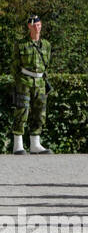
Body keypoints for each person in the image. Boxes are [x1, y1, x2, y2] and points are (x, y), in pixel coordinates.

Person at [11, 14, 52, 155]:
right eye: (34, 25)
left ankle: (35, 145)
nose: (37, 27)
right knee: (22, 111)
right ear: (29, 26)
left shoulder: (46, 45)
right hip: (24, 81)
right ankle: (18, 145)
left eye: (39, 25)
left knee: (40, 113)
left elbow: (46, 65)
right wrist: (19, 82)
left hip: (40, 82)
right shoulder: (21, 44)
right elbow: (15, 66)